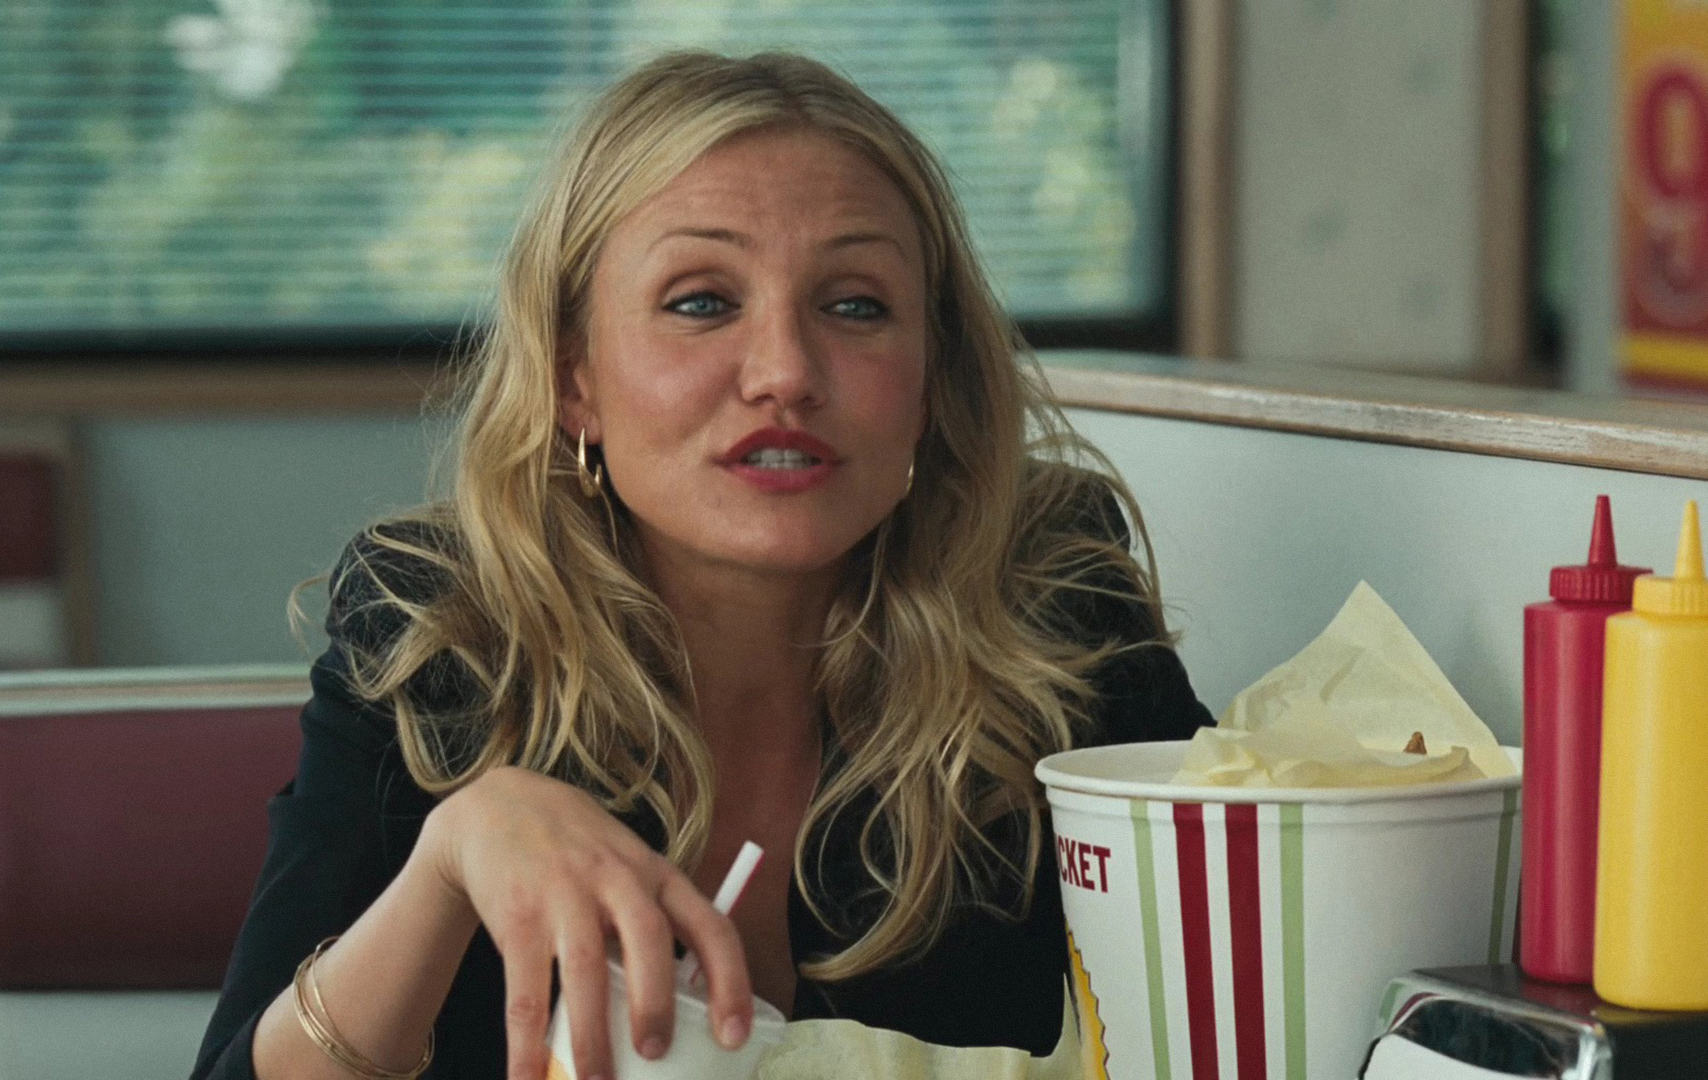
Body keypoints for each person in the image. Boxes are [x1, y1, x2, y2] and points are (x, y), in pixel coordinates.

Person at [192, 50, 1211, 1080]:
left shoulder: (1052, 602)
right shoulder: (442, 627)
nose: (785, 373)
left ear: (931, 382)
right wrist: (452, 858)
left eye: (855, 306)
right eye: (700, 302)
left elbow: (1240, 991)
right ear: (574, 377)